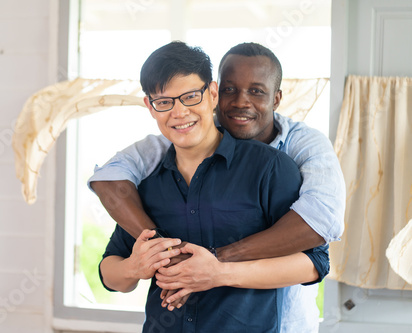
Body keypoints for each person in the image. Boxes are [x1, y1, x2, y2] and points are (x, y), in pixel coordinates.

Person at [98, 41, 329, 333]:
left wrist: (219, 273)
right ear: (150, 107)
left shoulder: (270, 168)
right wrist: (135, 267)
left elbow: (315, 262)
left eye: (191, 97)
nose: (179, 113)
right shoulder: (146, 180)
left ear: (213, 94)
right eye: (164, 102)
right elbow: (110, 273)